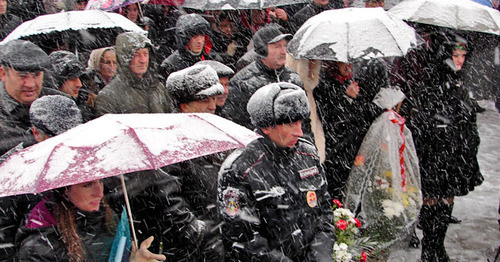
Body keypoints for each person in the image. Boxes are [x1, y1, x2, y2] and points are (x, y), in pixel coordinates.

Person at [218, 82, 335, 261]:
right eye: (290, 124)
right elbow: (243, 239)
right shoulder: (239, 168)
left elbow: (324, 213)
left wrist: (318, 256)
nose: (300, 132)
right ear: (266, 126)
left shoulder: (308, 153)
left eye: (300, 122)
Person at [411, 40, 483, 262]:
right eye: (456, 55)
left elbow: (466, 114)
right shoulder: (436, 77)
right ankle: (430, 248)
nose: (460, 59)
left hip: (454, 150)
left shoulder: (460, 78)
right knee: (433, 197)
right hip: (436, 150)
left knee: (447, 198)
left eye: (463, 55)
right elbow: (426, 112)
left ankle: (438, 247)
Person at [0, 95, 82, 261]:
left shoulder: (79, 157)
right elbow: (4, 239)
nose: (67, 145)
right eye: (57, 139)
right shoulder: (10, 173)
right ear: (36, 133)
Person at [16, 178, 166, 261]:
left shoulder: (109, 219)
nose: (99, 193)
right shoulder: (39, 247)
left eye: (100, 182)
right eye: (87, 185)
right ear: (65, 191)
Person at [313, 60, 382, 200]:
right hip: (335, 149)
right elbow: (330, 118)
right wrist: (346, 98)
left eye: (351, 63)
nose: (348, 67)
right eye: (343, 63)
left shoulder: (360, 82)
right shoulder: (324, 83)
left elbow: (365, 113)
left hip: (355, 147)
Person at [222, 24, 303, 129]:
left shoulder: (293, 78)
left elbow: (303, 120)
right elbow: (235, 124)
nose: (283, 51)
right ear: (262, 50)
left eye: (285, 46)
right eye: (277, 46)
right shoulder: (243, 82)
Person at [0, 40, 66, 156]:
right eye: (22, 76)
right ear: (3, 74)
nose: (30, 84)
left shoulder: (60, 102)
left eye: (36, 75)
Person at [94, 32, 173, 116]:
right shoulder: (108, 96)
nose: (143, 60)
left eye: (145, 54)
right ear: (124, 58)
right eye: (136, 55)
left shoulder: (158, 88)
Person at [160, 13, 222, 79]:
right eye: (195, 36)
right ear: (185, 39)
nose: (199, 41)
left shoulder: (214, 59)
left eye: (202, 36)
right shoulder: (171, 65)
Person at [44, 51, 95, 122]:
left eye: (80, 78)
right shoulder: (45, 112)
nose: (79, 84)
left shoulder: (85, 102)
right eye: (72, 79)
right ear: (56, 81)